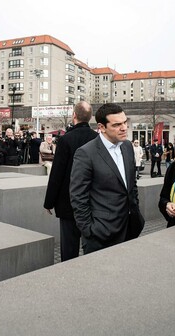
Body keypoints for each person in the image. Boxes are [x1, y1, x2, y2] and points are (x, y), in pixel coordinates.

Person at [70, 103, 144, 254]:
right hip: (100, 234)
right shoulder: (86, 153)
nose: (124, 127)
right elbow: (78, 196)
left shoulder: (127, 147)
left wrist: (136, 213)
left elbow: (131, 186)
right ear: (102, 127)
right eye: (117, 124)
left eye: (124, 122)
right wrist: (89, 231)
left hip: (130, 227)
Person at [44, 101, 98, 261]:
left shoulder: (65, 140)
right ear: (90, 118)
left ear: (74, 115)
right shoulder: (98, 139)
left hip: (68, 202)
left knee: (68, 247)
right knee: (92, 245)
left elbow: (57, 174)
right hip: (92, 201)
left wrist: (49, 202)